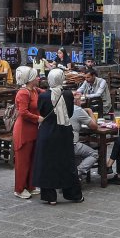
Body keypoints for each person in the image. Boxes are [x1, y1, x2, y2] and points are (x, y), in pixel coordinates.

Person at [32, 69, 84, 205]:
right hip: (64, 132)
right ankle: (73, 194)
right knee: (67, 163)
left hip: (48, 132)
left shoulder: (43, 96)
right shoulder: (67, 94)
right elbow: (70, 113)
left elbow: (42, 112)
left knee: (47, 164)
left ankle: (50, 197)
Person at [12, 66, 41, 199]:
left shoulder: (34, 90)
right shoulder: (23, 93)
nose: (38, 78)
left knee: (32, 159)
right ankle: (19, 188)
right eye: (36, 76)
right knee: (22, 161)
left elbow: (47, 92)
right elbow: (23, 112)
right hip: (24, 130)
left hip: (33, 129)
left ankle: (30, 185)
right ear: (30, 79)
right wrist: (38, 118)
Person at [69, 103, 100, 177]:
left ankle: (75, 176)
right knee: (94, 154)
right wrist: (90, 111)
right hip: (72, 144)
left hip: (56, 143)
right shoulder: (77, 109)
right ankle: (76, 173)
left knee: (78, 154)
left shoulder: (56, 107)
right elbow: (94, 126)